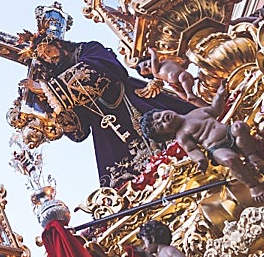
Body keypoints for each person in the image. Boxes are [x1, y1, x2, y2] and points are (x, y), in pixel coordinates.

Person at [20, 36, 194, 185]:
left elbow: (107, 69)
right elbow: (79, 131)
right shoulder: (54, 82)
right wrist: (47, 103)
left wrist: (50, 89)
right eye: (43, 57)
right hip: (105, 127)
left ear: (58, 44)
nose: (48, 58)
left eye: (48, 51)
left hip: (130, 99)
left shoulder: (88, 48)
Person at [139, 87, 264, 203]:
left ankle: (250, 155)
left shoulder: (195, 113)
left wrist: (219, 95)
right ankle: (253, 185)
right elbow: (192, 150)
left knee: (239, 126)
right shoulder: (182, 135)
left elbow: (216, 110)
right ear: (168, 134)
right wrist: (200, 160)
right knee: (229, 159)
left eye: (158, 115)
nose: (162, 119)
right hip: (217, 148)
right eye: (161, 125)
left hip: (229, 132)